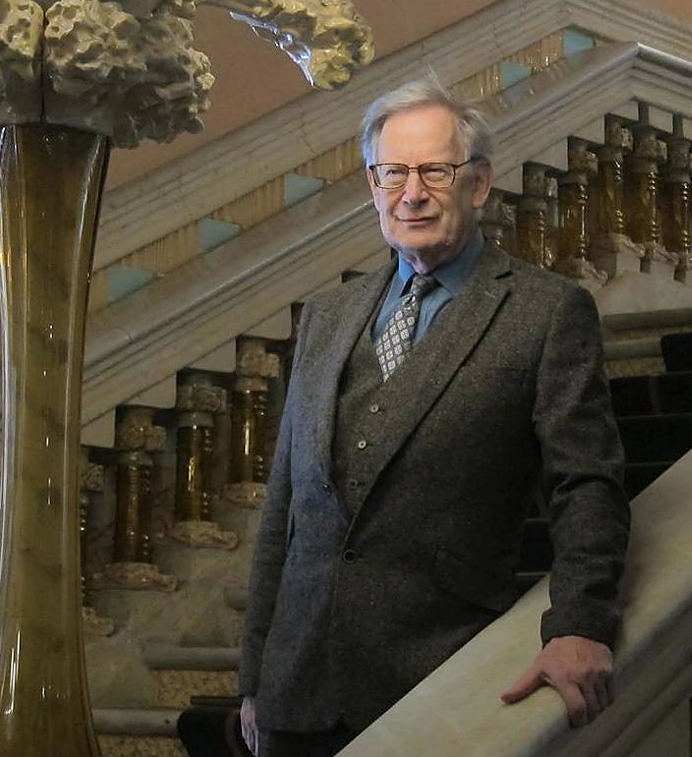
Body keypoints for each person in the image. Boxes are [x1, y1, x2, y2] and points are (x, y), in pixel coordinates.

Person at [237, 78, 630, 757]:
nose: (411, 192)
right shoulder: (327, 319)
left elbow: (585, 485)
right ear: (372, 183)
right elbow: (285, 509)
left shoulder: (545, 313)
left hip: (438, 687)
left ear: (478, 184)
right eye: (394, 173)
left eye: (434, 172)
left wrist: (581, 622)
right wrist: (254, 678)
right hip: (295, 701)